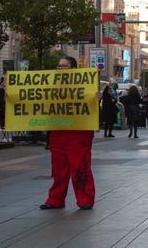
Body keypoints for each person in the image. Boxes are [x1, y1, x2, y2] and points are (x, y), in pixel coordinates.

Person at [41, 56, 96, 210]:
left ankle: (85, 199)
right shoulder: (51, 85)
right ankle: (55, 199)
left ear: (73, 68)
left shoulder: (85, 85)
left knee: (80, 167)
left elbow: (91, 106)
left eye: (64, 66)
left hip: (78, 132)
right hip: (58, 131)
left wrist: (96, 98)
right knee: (59, 169)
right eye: (59, 66)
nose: (60, 69)